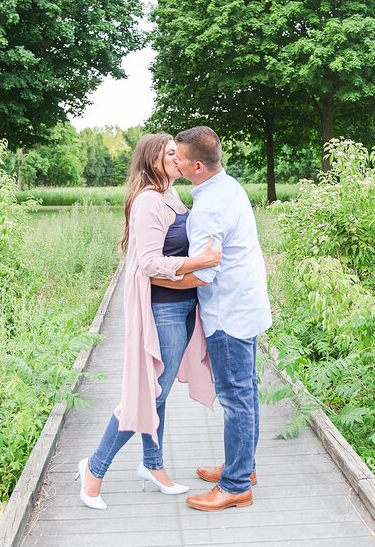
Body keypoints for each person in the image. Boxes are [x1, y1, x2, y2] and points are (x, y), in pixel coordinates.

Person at [76, 133, 221, 510]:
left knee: (160, 390)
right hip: (164, 310)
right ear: (152, 160)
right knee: (147, 392)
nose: (178, 157)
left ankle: (152, 465)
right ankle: (94, 468)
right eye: (170, 153)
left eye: (179, 152)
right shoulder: (147, 202)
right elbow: (149, 263)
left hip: (185, 306)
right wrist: (198, 263)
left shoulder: (171, 195)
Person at [157, 126, 272, 512]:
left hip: (229, 312)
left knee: (235, 397)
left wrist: (154, 276)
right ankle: (244, 466)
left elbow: (203, 272)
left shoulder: (208, 207)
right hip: (246, 304)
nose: (176, 162)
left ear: (199, 166)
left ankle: (236, 484)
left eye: (181, 160)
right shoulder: (227, 185)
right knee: (246, 391)